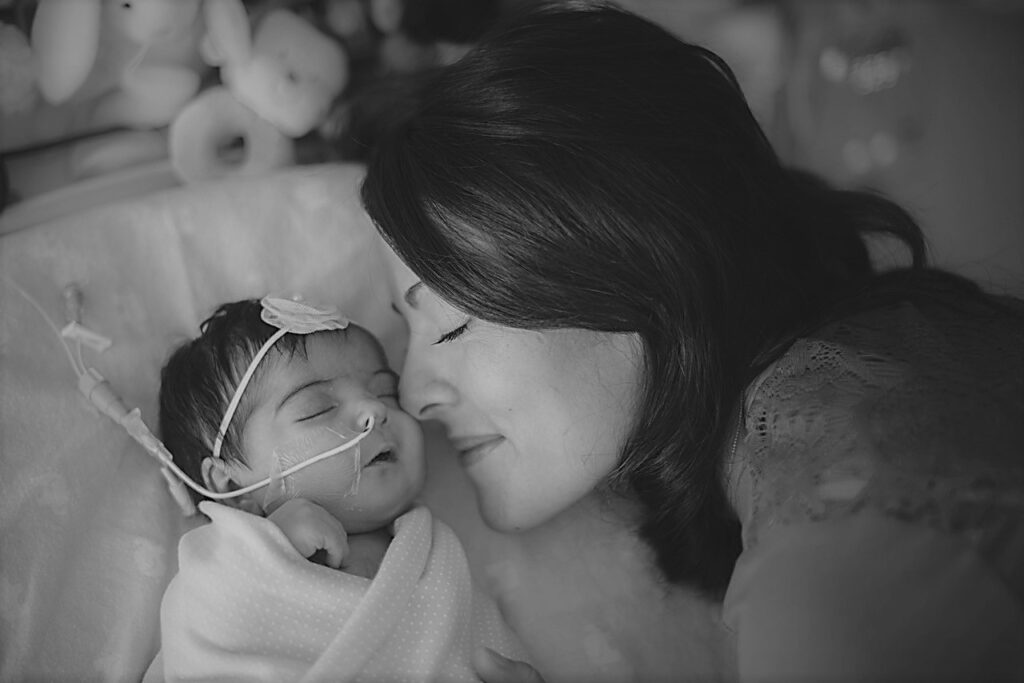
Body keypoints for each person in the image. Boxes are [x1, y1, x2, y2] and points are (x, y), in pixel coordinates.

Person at [359, 2, 1024, 681]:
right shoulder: (887, 364)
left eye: (450, 321)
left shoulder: (843, 546)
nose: (413, 394)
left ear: (625, 250)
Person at [148, 297, 526, 682]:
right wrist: (267, 551)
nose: (374, 410)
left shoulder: (434, 557)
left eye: (387, 394)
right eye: (317, 408)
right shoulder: (225, 572)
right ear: (229, 482)